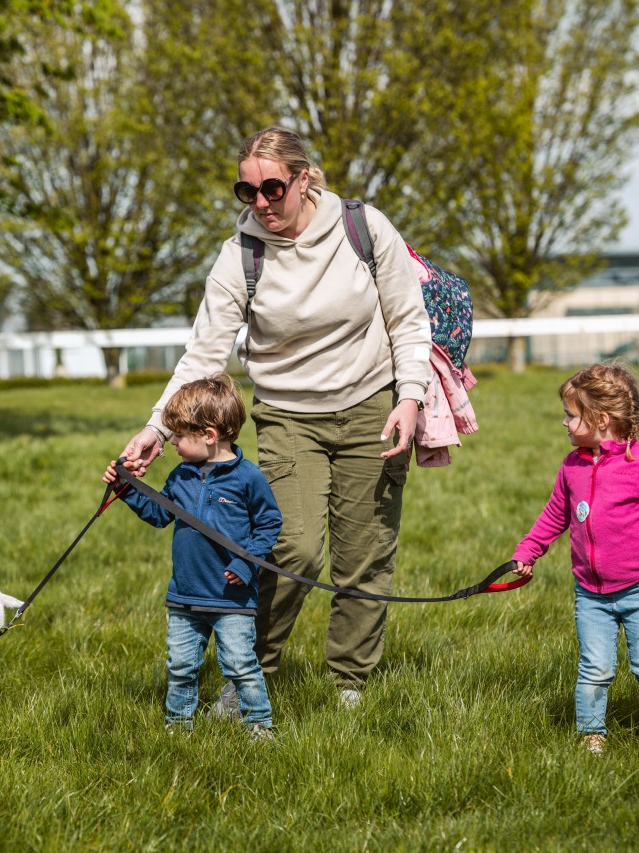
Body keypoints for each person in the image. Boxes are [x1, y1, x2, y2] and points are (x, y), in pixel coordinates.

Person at [114, 126, 431, 708]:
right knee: (291, 548)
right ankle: (247, 674)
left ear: (304, 179)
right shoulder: (242, 252)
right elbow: (205, 352)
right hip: (288, 414)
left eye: (273, 188)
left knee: (365, 555)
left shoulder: (364, 228)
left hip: (372, 408)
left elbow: (408, 318)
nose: (261, 203)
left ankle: (349, 684)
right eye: (247, 191)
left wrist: (410, 396)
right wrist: (158, 427)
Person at [510, 363, 639, 753]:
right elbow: (554, 515)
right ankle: (591, 735)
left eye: (572, 416)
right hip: (590, 594)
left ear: (601, 419)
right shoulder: (571, 467)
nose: (565, 423)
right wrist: (528, 551)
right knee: (595, 668)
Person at [104, 374, 282, 739]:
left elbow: (269, 525)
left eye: (180, 436)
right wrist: (124, 487)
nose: (174, 444)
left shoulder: (249, 479)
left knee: (240, 665)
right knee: (181, 665)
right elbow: (159, 514)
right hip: (185, 595)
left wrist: (245, 563)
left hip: (232, 599)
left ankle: (258, 726)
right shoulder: (181, 475)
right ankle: (178, 728)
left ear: (210, 436)